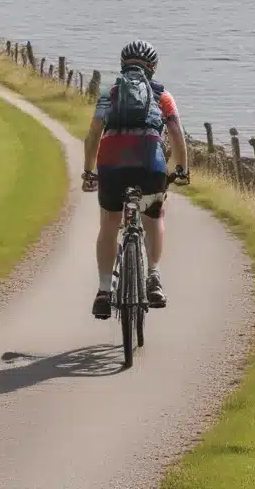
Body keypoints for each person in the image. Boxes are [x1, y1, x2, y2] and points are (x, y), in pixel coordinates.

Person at [81, 39, 188, 319]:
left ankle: (104, 291)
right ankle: (153, 277)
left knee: (109, 224)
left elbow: (93, 135)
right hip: (150, 165)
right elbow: (177, 134)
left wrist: (88, 171)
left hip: (111, 164)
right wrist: (182, 169)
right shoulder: (162, 96)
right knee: (154, 216)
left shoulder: (109, 93)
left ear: (122, 64)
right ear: (152, 67)